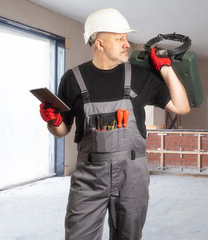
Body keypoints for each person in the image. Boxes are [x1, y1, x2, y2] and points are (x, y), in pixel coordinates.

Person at [39, 8, 190, 240]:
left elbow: (182, 107)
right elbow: (62, 131)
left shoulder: (140, 76)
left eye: (126, 38)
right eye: (119, 38)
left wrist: (166, 68)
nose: (126, 44)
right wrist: (54, 121)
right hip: (89, 176)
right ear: (99, 43)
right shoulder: (73, 79)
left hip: (132, 174)